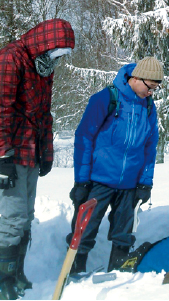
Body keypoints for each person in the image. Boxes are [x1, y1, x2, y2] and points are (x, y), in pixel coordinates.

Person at [66, 57, 163, 275]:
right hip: (98, 180)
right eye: (150, 87)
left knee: (123, 234)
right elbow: (84, 137)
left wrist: (145, 182)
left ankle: (117, 273)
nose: (151, 93)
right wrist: (81, 181)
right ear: (136, 78)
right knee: (84, 229)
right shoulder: (107, 98)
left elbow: (150, 146)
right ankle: (75, 270)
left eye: (155, 89)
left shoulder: (148, 107)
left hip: (129, 185)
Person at [0, 19, 75, 299]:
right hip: (11, 152)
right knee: (13, 217)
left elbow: (44, 113)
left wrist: (47, 152)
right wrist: (2, 157)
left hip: (30, 151)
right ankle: (3, 280)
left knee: (26, 216)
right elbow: (1, 108)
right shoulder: (11, 58)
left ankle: (17, 274)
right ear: (45, 43)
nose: (58, 59)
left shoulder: (43, 66)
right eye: (57, 52)